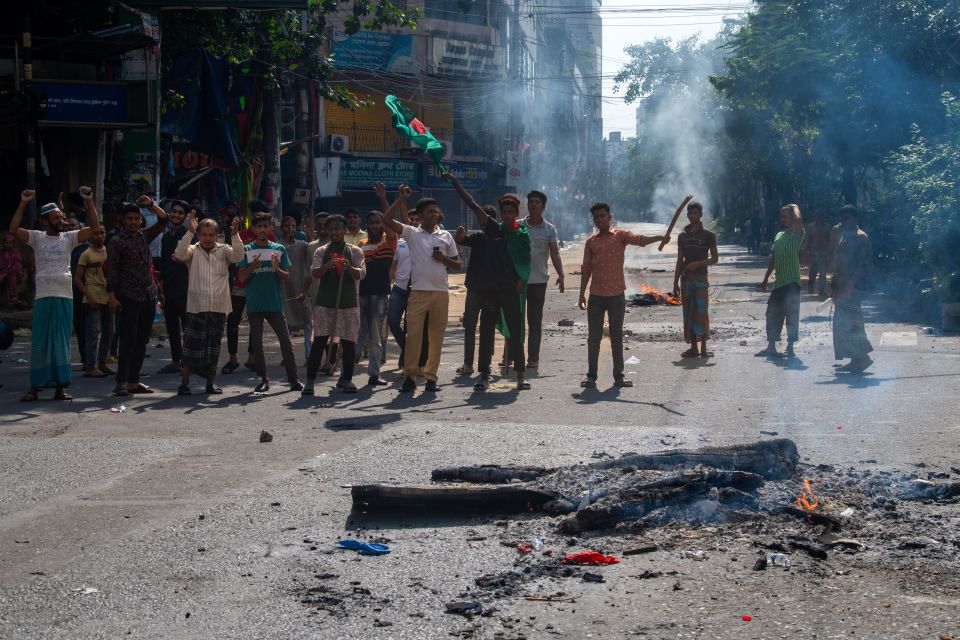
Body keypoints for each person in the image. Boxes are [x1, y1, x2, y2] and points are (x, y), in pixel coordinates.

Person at [11, 187, 101, 401]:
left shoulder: (69, 238)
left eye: (61, 216)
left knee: (61, 340)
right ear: (45, 220)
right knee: (41, 341)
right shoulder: (37, 238)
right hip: (43, 295)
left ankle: (60, 387)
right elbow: (14, 229)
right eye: (56, 217)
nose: (61, 220)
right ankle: (35, 387)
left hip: (64, 296)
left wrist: (88, 202)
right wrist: (23, 203)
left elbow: (95, 228)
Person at [448, 174, 531, 391]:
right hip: (490, 290)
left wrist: (521, 279)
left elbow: (525, 261)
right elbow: (473, 205)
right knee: (485, 330)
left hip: (510, 289)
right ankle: (483, 374)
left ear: (517, 213)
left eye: (510, 212)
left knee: (515, 330)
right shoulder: (495, 229)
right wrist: (456, 183)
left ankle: (520, 375)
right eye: (503, 212)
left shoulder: (522, 235)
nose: (506, 215)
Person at [578, 202, 669, 388]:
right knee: (593, 338)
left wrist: (660, 238)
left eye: (602, 215)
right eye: (596, 217)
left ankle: (618, 376)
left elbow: (640, 240)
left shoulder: (620, 236)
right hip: (596, 296)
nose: (599, 219)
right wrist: (581, 294)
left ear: (609, 216)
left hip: (616, 296)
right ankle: (591, 376)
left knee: (616, 337)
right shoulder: (591, 242)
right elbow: (586, 270)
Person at [382, 187, 460, 393]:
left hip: (441, 293)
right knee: (413, 336)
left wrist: (444, 259)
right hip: (417, 293)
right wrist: (400, 199)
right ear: (420, 215)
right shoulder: (411, 233)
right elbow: (386, 219)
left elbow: (458, 265)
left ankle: (431, 378)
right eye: (430, 211)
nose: (434, 214)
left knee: (436, 337)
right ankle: (410, 376)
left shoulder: (446, 236)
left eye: (435, 211)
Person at [174, 212, 245, 394]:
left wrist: (235, 234)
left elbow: (239, 256)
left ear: (216, 235)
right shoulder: (193, 250)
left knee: (213, 349)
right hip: (196, 307)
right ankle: (185, 383)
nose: (207, 238)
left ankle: (209, 384)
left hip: (218, 307)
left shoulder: (224, 250)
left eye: (211, 235)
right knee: (190, 348)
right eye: (203, 235)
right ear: (199, 235)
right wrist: (189, 232)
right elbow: (179, 254)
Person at [107, 196, 168, 396]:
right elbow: (112, 272)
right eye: (130, 219)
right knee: (128, 341)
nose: (134, 222)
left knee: (142, 340)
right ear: (122, 221)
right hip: (128, 296)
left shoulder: (144, 236)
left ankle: (134, 381)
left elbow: (163, 220)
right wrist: (112, 296)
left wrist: (151, 204)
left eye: (137, 219)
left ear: (141, 220)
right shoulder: (116, 242)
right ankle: (121, 382)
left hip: (148, 295)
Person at [237, 212, 302, 393]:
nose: (263, 230)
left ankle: (294, 380)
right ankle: (263, 379)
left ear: (270, 228)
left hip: (275, 304)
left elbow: (287, 276)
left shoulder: (278, 249)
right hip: (255, 305)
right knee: (257, 345)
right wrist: (251, 267)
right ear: (254, 229)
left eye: (266, 226)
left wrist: (276, 269)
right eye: (259, 227)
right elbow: (241, 277)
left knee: (286, 343)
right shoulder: (247, 250)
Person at [302, 215, 366, 395]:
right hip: (324, 303)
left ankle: (347, 380)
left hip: (348, 304)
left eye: (338, 228)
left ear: (345, 230)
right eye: (331, 229)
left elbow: (361, 273)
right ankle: (310, 382)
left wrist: (349, 268)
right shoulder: (321, 251)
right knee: (319, 341)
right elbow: (314, 272)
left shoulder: (355, 252)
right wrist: (328, 265)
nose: (334, 232)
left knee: (348, 342)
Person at [521, 190, 564, 369]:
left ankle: (533, 358)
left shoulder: (549, 229)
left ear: (543, 206)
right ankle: (510, 356)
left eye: (537, 202)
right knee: (514, 319)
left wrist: (561, 274)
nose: (533, 205)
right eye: (531, 201)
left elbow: (554, 252)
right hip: (518, 280)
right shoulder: (517, 225)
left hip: (539, 281)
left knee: (535, 321)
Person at [758, 204, 806, 359]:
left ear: (792, 218)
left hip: (792, 282)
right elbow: (774, 259)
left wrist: (794, 206)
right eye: (782, 217)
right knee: (772, 314)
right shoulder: (779, 235)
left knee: (791, 316)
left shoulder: (797, 234)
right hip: (779, 283)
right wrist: (765, 279)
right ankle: (771, 347)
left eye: (786, 216)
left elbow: (799, 218)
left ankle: (790, 348)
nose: (782, 219)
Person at [453, 205, 496, 376]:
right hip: (474, 288)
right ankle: (468, 364)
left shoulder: (500, 237)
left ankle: (486, 363)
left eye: (486, 219)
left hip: (492, 290)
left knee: (488, 327)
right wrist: (459, 236)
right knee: (470, 325)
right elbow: (462, 240)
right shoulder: (478, 237)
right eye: (481, 219)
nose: (483, 222)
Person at [672, 201, 718, 358]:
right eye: (691, 213)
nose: (693, 216)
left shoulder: (708, 236)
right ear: (687, 215)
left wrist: (696, 264)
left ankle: (704, 347)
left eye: (696, 213)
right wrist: (675, 283)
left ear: (701, 215)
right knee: (688, 312)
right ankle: (694, 348)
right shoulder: (682, 237)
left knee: (702, 312)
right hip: (686, 279)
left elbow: (715, 259)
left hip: (701, 279)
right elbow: (679, 260)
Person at [831, 205, 874, 373]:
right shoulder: (843, 236)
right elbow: (838, 264)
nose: (843, 221)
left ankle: (862, 358)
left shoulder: (861, 238)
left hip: (853, 288)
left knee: (852, 323)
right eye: (842, 218)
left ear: (855, 218)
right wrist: (834, 285)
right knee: (843, 324)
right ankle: (856, 359)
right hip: (842, 286)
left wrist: (850, 285)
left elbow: (864, 267)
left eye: (847, 218)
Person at [357, 208, 396, 386]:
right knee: (356, 334)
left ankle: (374, 374)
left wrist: (383, 199)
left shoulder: (389, 241)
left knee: (374, 336)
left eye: (378, 222)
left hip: (379, 295)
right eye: (371, 222)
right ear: (367, 225)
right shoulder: (361, 245)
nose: (374, 225)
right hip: (361, 293)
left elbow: (390, 222)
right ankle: (346, 374)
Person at [74, 225, 115, 377]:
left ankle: (102, 363)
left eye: (102, 233)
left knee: (109, 331)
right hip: (93, 294)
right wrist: (89, 296)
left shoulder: (110, 251)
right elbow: (77, 278)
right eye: (96, 233)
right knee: (93, 332)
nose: (99, 236)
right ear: (90, 236)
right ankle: (91, 365)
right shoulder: (86, 254)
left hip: (108, 295)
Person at [158, 200, 191, 374]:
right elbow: (163, 264)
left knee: (187, 327)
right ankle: (176, 361)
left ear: (185, 216)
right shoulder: (166, 237)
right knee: (172, 327)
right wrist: (161, 288)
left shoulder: (189, 236)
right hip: (169, 288)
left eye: (180, 213)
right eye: (174, 212)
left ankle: (188, 361)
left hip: (185, 288)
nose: (176, 215)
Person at [279, 216, 312, 358]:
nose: (290, 229)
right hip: (284, 291)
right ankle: (287, 356)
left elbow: (314, 250)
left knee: (308, 322)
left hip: (302, 289)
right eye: (287, 226)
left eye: (293, 226)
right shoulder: (277, 246)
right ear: (282, 228)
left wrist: (310, 232)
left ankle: (309, 355)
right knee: (284, 326)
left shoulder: (303, 244)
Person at [804, 211, 832, 296]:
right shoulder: (811, 226)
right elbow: (808, 238)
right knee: (813, 271)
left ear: (823, 217)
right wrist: (806, 250)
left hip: (824, 253)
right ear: (815, 217)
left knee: (823, 273)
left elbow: (830, 240)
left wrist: (830, 252)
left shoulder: (828, 227)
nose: (819, 218)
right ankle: (810, 286)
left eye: (821, 216)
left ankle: (821, 290)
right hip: (813, 252)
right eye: (817, 216)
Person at [0, 232, 24, 306]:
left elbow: (17, 266)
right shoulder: (1, 253)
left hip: (14, 273)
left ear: (13, 244)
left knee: (12, 277)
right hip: (2, 272)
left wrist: (5, 274)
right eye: (6, 242)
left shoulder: (16, 252)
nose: (8, 244)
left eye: (10, 243)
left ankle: (13, 296)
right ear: (3, 243)